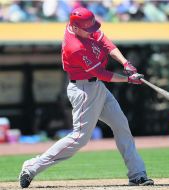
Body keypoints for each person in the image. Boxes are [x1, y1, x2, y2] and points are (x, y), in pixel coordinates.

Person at [19, 7, 154, 188]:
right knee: (79, 138)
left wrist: (126, 63)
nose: (92, 32)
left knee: (121, 125)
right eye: (87, 29)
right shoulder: (74, 47)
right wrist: (128, 79)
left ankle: (137, 174)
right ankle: (31, 167)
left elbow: (105, 42)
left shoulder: (83, 26)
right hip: (83, 90)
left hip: (96, 86)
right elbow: (101, 73)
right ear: (75, 28)